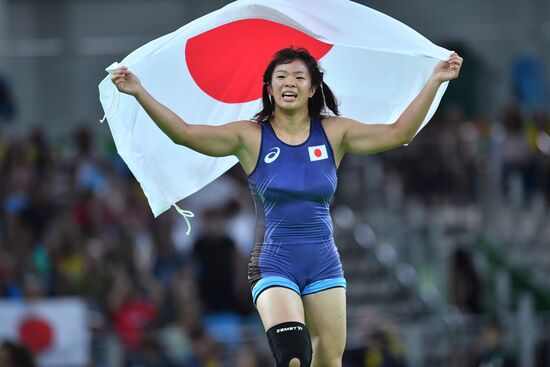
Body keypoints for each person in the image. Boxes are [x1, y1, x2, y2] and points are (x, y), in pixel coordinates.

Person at [111, 47, 462, 367]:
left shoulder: (334, 133)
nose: (289, 82)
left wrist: (435, 80)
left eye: (298, 77)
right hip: (274, 263)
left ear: (312, 89)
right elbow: (185, 133)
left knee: (328, 361)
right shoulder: (250, 136)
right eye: (280, 77)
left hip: (324, 263)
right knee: (294, 357)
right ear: (269, 88)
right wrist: (140, 92)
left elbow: (399, 132)